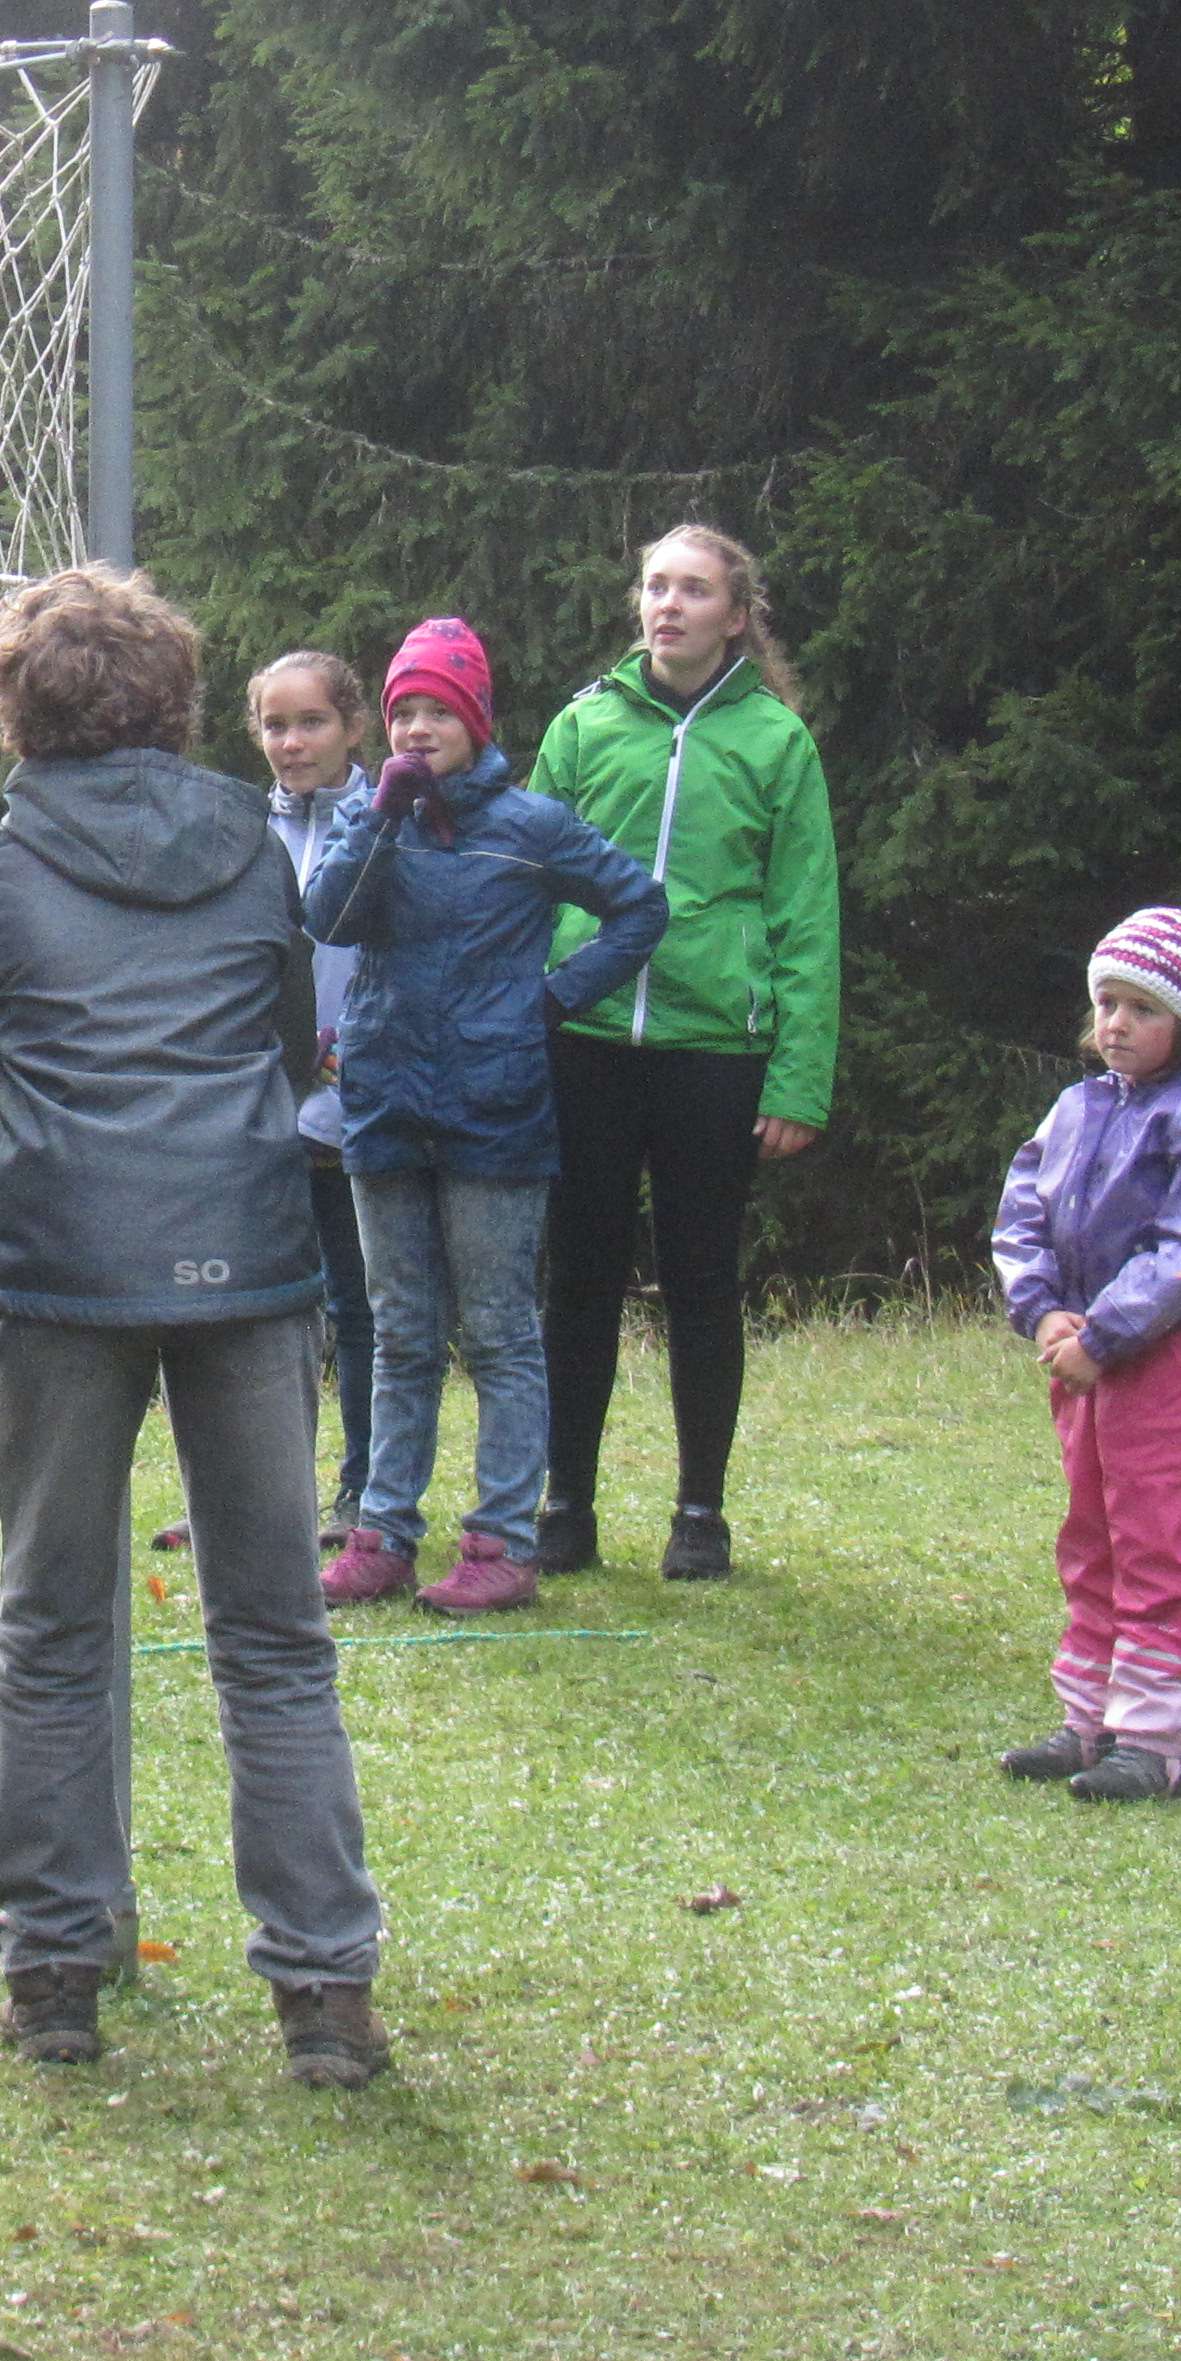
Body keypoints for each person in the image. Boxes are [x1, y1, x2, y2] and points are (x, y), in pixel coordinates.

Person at [0, 566, 390, 2088]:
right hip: (248, 1256)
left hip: (68, 1264)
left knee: (53, 1625)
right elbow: (285, 1042)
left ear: (17, 709)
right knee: (276, 1638)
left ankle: (54, 1969)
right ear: (181, 701)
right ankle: (324, 1990)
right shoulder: (256, 852)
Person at [304, 619, 668, 1615]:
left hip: (494, 1105)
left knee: (501, 1331)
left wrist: (554, 999)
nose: (418, 729)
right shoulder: (370, 819)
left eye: (439, 711)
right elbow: (326, 918)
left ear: (477, 721)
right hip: (384, 1100)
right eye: (403, 712)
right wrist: (380, 819)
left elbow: (639, 907)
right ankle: (383, 1535)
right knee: (401, 1330)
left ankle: (503, 1542)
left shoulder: (532, 825)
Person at [527, 524, 840, 1583]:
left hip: (715, 1049)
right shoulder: (583, 725)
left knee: (703, 1280)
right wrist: (519, 1021)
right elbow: (525, 883)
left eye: (695, 589)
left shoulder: (777, 744)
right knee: (578, 1278)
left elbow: (807, 916)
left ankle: (700, 1512)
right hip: (585, 1040)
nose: (669, 604)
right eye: (656, 585)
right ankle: (564, 1503)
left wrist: (798, 1078)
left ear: (736, 616)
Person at [991, 910, 1181, 1805]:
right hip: (1082, 1364)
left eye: (1143, 1009)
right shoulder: (1074, 1110)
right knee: (1093, 1535)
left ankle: (1157, 1739)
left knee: (1164, 1537)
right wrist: (1042, 1313)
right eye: (1107, 1003)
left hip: (1170, 1366)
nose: (1116, 1024)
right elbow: (1023, 1212)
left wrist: (1106, 1334)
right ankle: (1090, 1717)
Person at [149, 650, 377, 1563]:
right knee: (242, 1307)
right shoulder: (237, 831)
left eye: (312, 722)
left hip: (357, 1107)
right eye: (275, 725)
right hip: (254, 1109)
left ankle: (363, 1491)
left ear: (353, 727)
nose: (292, 743)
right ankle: (236, 1493)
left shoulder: (386, 821)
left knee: (358, 1305)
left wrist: (347, 1058)